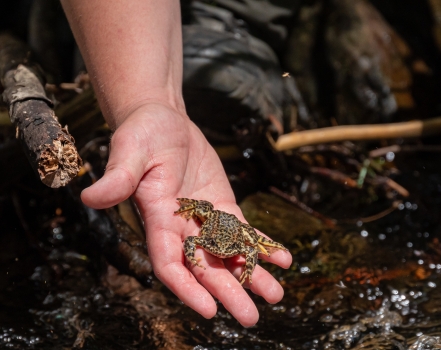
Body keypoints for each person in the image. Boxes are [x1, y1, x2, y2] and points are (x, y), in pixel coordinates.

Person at [60, 0, 292, 327]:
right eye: (217, 248)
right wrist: (143, 102)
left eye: (225, 250)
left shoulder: (239, 242)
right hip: (215, 217)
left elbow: (250, 249)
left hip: (230, 224)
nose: (220, 252)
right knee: (201, 209)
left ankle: (226, 18)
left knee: (258, 242)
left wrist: (151, 99)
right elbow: (195, 240)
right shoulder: (203, 237)